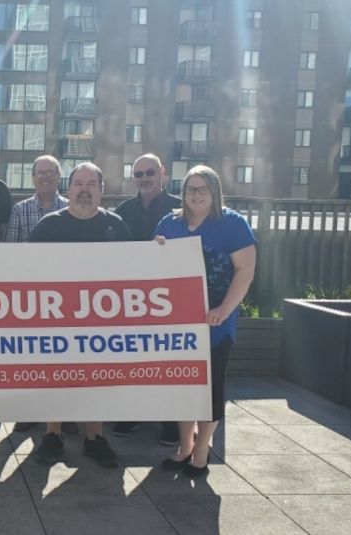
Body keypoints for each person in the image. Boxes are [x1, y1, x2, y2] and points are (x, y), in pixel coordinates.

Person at [155, 165, 257, 478]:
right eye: (191, 189)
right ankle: (185, 446)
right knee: (183, 388)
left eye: (203, 189)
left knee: (210, 388)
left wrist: (224, 310)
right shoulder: (169, 224)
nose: (197, 195)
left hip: (215, 324)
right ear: (182, 193)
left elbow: (245, 271)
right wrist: (155, 251)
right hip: (178, 325)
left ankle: (202, 451)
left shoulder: (232, 224)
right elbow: (157, 270)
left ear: (215, 192)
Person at [29, 162, 132, 469]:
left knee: (97, 381)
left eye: (91, 184)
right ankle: (53, 435)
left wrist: (159, 252)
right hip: (55, 321)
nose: (84, 190)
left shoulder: (117, 226)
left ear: (101, 190)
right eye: (78, 184)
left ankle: (94, 439)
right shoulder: (49, 226)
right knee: (55, 379)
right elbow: (27, 270)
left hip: (101, 324)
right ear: (68, 188)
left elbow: (136, 272)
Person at [112, 153, 183, 446]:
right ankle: (132, 413)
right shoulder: (122, 210)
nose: (144, 179)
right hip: (130, 297)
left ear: (162, 173)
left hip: (169, 296)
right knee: (131, 356)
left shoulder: (180, 208)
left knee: (165, 357)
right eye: (138, 174)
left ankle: (169, 420)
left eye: (149, 173)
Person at [5, 155, 74, 435]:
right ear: (33, 177)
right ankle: (30, 412)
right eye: (40, 173)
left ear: (59, 176)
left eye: (50, 172)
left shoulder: (72, 209)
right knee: (29, 358)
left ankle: (64, 415)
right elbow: (10, 252)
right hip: (30, 296)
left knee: (64, 358)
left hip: (66, 297)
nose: (44, 177)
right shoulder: (20, 210)